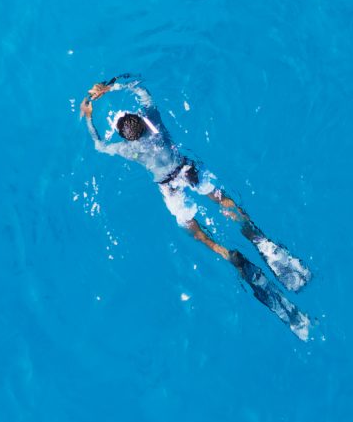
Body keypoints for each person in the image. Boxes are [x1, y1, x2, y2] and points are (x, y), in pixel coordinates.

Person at [82, 77, 313, 338]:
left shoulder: (127, 150)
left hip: (168, 186)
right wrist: (111, 86)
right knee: (223, 200)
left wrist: (88, 116)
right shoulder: (154, 121)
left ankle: (226, 254)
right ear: (142, 121)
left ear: (126, 137)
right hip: (188, 170)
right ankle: (254, 235)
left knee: (192, 229)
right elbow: (141, 87)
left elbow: (99, 145)